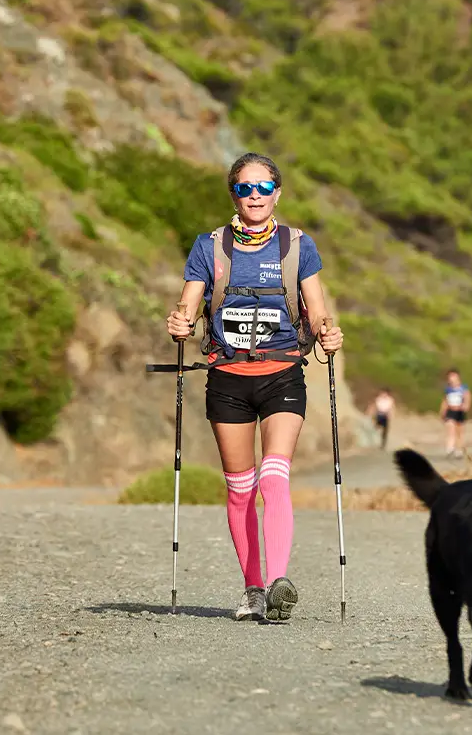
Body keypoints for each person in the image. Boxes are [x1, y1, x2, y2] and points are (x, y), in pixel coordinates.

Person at [166, 151, 344, 623]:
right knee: (240, 488)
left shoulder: (298, 247)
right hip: (227, 380)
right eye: (245, 188)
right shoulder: (210, 247)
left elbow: (319, 310)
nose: (255, 196)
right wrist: (180, 325)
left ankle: (280, 580)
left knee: (273, 475)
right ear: (234, 193)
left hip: (283, 373)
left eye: (264, 187)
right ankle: (253, 588)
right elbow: (187, 307)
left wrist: (329, 331)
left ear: (277, 193)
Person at [439, 368, 471, 457]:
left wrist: (466, 405)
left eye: (453, 376)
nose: (451, 379)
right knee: (450, 427)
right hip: (450, 410)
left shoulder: (463, 387)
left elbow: (467, 396)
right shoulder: (448, 389)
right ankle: (450, 447)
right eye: (449, 377)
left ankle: (459, 449)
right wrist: (442, 410)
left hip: (460, 411)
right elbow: (445, 400)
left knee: (459, 431)